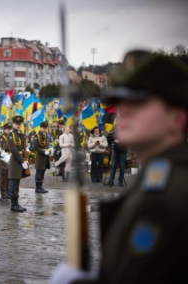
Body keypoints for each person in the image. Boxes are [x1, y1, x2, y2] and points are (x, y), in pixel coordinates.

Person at [50, 50, 188, 284]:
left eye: (139, 102)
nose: (123, 110)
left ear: (177, 118)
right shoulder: (157, 177)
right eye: (120, 101)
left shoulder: (173, 192)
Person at [8, 115, 29, 212]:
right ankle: (13, 204)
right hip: (15, 161)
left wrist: (26, 158)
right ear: (13, 124)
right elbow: (14, 150)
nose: (18, 125)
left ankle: (16, 203)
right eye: (16, 124)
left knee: (17, 183)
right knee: (14, 183)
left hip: (20, 160)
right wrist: (22, 161)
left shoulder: (20, 134)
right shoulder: (11, 135)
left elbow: (22, 148)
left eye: (19, 124)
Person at [33, 121, 51, 193]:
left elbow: (46, 145)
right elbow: (36, 147)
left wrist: (49, 150)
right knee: (39, 172)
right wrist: (44, 151)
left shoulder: (45, 135)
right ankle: (38, 188)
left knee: (43, 171)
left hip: (45, 157)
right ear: (40, 127)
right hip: (40, 156)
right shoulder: (37, 136)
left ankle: (40, 186)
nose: (45, 129)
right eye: (43, 128)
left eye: (46, 128)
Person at [0, 122, 12, 199]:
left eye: (10, 129)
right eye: (7, 129)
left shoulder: (10, 137)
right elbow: (2, 147)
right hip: (4, 157)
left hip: (9, 157)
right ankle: (3, 192)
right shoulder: (1, 137)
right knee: (3, 175)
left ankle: (8, 191)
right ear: (4, 129)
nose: (9, 130)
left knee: (8, 175)